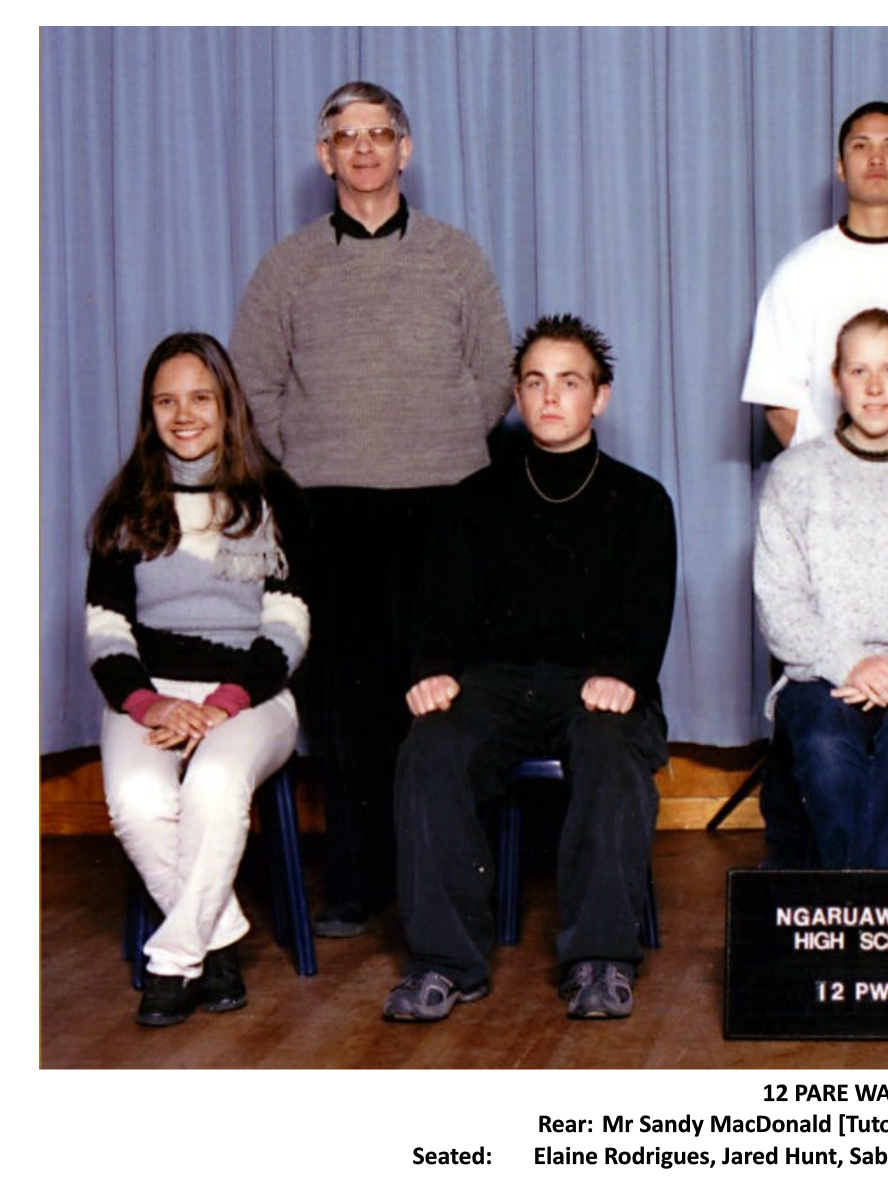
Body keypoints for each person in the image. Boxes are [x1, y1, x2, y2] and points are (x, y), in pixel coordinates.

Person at [230, 81, 513, 937]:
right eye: (346, 136)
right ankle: (355, 880)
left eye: (379, 133)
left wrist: (438, 443)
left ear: (405, 149)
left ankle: (444, 876)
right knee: (345, 704)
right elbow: (254, 384)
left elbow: (495, 373)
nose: (363, 149)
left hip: (444, 503)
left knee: (441, 692)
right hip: (330, 511)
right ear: (325, 156)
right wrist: (312, 456)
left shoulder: (456, 257)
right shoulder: (288, 266)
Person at [382, 314, 677, 1023]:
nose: (550, 396)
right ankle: (445, 963)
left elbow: (646, 619)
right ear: (516, 395)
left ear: (599, 398)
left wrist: (622, 674)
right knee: (430, 746)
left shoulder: (640, 500)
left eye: (569, 382)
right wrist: (432, 669)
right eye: (536, 382)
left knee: (608, 744)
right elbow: (437, 609)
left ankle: (600, 960)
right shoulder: (472, 499)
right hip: (497, 684)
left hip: (596, 682)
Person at [86, 332, 310, 1026]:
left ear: (227, 405)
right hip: (151, 695)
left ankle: (171, 960)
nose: (183, 416)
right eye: (166, 402)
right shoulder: (128, 505)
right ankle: (219, 941)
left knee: (214, 782)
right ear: (149, 412)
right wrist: (148, 703)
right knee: (136, 797)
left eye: (200, 398)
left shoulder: (273, 497)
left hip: (253, 695)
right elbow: (105, 630)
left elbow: (290, 624)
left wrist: (225, 702)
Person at [754, 308, 888, 868]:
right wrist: (853, 663)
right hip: (823, 674)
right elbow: (779, 606)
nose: (875, 387)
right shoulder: (796, 475)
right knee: (827, 751)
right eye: (860, 371)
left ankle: (860, 902)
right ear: (836, 380)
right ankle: (863, 901)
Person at [741, 100, 888, 449]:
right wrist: (830, 472)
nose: (876, 158)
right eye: (861, 146)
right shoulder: (800, 272)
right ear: (840, 167)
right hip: (832, 477)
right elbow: (779, 401)